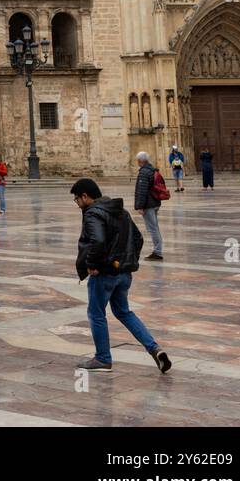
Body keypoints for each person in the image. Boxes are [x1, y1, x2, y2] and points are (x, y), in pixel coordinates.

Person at [70, 177, 172, 374]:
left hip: (104, 274)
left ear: (85, 196)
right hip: (123, 273)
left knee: (96, 313)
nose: (78, 204)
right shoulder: (120, 210)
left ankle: (103, 359)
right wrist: (126, 262)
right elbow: (138, 238)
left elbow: (97, 241)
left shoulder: (93, 213)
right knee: (124, 312)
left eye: (77, 200)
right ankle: (154, 349)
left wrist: (92, 265)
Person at [133, 152, 164, 262]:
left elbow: (142, 191)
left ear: (140, 161)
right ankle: (158, 250)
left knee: (152, 228)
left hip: (149, 205)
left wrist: (140, 206)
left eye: (137, 160)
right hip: (155, 203)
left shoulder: (144, 172)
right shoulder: (152, 170)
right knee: (155, 227)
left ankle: (157, 252)